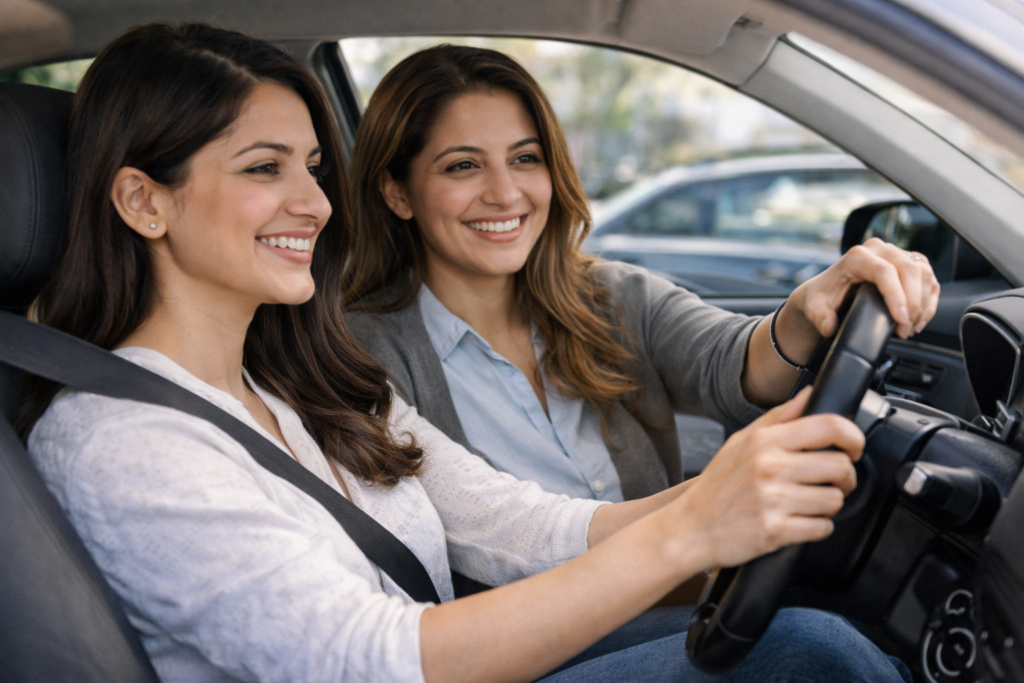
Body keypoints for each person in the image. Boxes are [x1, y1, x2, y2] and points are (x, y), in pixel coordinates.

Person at [23, 23, 913, 683]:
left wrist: (726, 494)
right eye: (265, 169)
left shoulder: (308, 382)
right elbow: (371, 658)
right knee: (811, 654)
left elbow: (518, 524)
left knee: (811, 626)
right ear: (144, 202)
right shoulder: (121, 440)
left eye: (312, 167)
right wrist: (690, 529)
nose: (315, 204)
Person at [341, 44, 940, 503]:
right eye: (463, 166)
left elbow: (725, 360)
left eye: (526, 158)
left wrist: (810, 305)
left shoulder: (613, 296)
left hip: (669, 609)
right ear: (398, 192)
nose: (505, 193)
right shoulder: (363, 353)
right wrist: (698, 516)